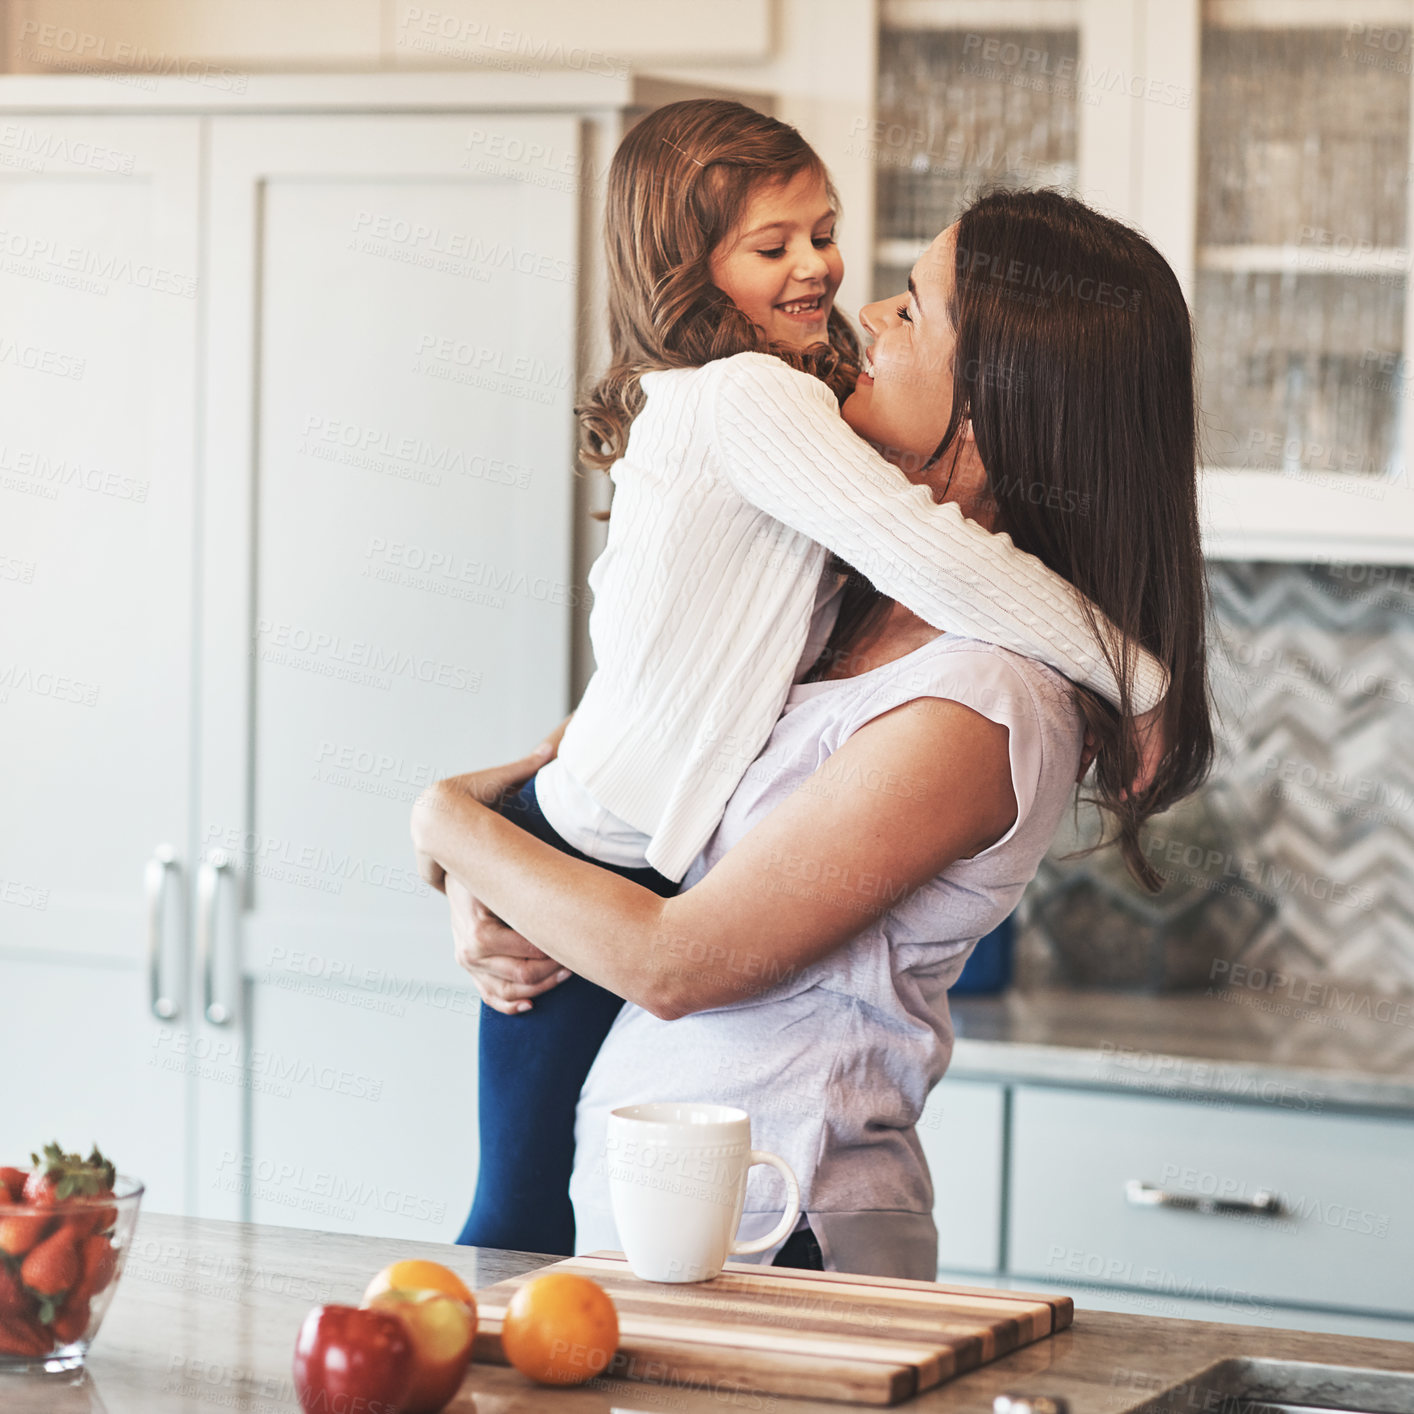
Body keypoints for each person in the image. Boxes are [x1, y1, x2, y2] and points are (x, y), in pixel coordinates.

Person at [413, 188, 1213, 1277]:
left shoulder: (979, 699)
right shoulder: (842, 597)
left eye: (916, 311)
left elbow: (678, 962)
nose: (864, 311)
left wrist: (444, 816)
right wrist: (486, 878)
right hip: (668, 1223)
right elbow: (615, 751)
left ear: (991, 410)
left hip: (788, 1230)